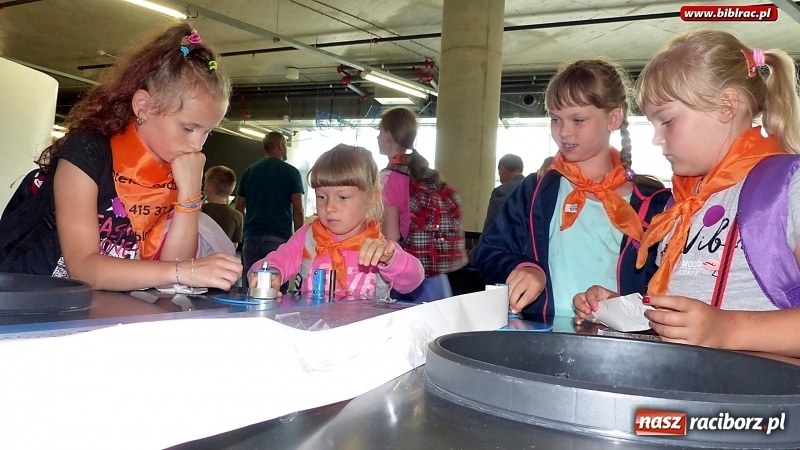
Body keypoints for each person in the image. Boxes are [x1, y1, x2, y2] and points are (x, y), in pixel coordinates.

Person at [574, 31, 800, 358]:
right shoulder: (681, 203)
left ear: (726, 106)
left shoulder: (788, 186)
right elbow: (695, 317)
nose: (656, 139)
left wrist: (726, 329)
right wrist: (631, 312)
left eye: (667, 121)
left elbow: (713, 327)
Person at [14, 23, 242, 291]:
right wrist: (182, 271)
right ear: (143, 106)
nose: (197, 145)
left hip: (98, 305)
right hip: (31, 297)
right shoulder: (88, 152)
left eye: (207, 132)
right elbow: (84, 268)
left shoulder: (174, 168)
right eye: (188, 128)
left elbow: (173, 272)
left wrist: (190, 193)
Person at [474, 59, 671, 322]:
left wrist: (624, 309)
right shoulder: (536, 192)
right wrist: (525, 268)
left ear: (613, 118)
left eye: (578, 120)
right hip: (541, 337)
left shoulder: (652, 204)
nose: (564, 132)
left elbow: (665, 289)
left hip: (616, 342)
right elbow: (488, 253)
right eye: (555, 119)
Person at [247, 145, 424, 298]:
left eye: (343, 197)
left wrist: (390, 259)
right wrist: (269, 273)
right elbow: (278, 259)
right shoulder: (308, 237)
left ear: (371, 198)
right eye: (321, 196)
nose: (329, 207)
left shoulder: (379, 246)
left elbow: (414, 279)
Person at [378, 107, 467, 301]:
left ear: (388, 136)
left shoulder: (390, 178)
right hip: (436, 276)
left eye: (379, 132)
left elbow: (391, 238)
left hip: (408, 277)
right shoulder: (426, 174)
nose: (377, 137)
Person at [236, 131, 304, 287]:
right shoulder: (291, 172)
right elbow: (298, 209)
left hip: (251, 239)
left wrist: (244, 234)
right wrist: (300, 240)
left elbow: (239, 208)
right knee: (276, 286)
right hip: (279, 238)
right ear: (280, 145)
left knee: (252, 286)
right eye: (285, 145)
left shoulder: (249, 171)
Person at [467, 153, 525, 266]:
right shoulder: (532, 189)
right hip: (527, 257)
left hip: (505, 256)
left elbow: (492, 226)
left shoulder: (501, 192)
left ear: (502, 169)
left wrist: (474, 255)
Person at [202, 165, 243, 245]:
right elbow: (234, 245)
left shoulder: (200, 211)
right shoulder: (237, 216)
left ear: (210, 188)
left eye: (205, 184)